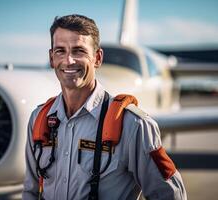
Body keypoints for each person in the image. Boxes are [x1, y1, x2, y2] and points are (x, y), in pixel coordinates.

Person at [22, 14, 187, 200]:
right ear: (52, 58)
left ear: (98, 58)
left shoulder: (133, 124)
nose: (68, 61)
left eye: (79, 51)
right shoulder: (39, 119)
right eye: (60, 51)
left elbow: (170, 195)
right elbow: (31, 190)